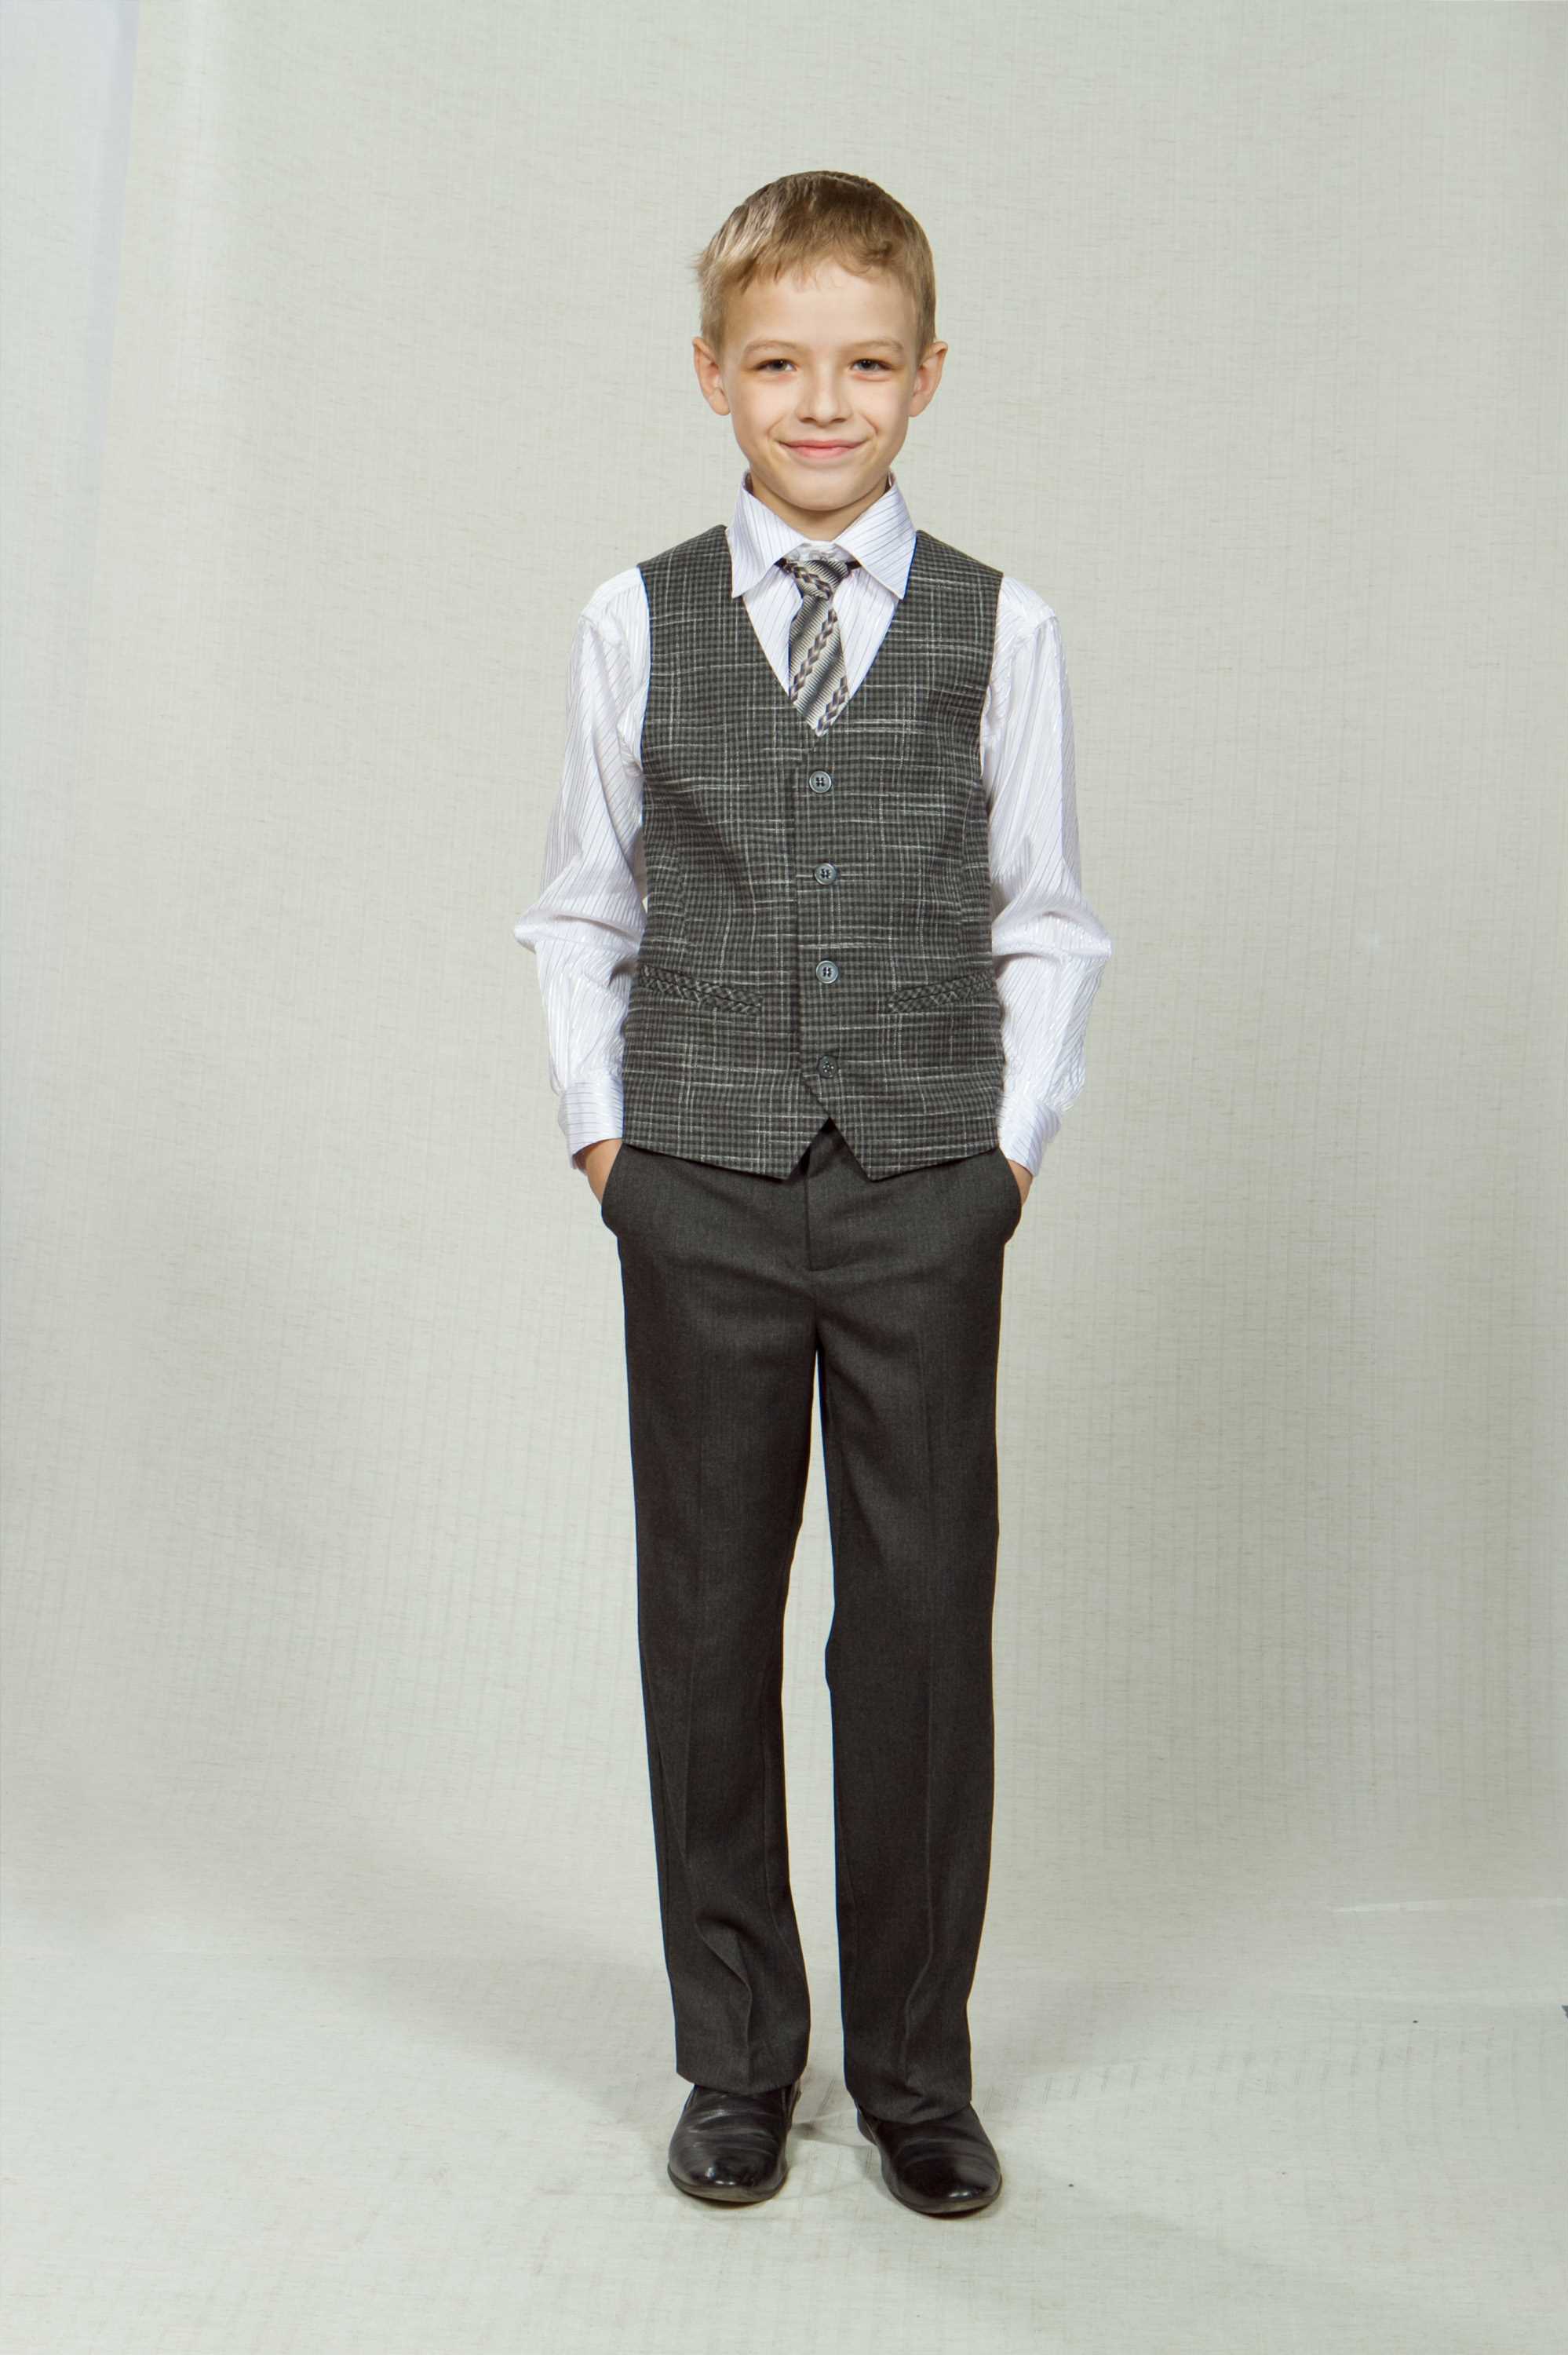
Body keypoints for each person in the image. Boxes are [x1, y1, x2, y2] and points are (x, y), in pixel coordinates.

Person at [513, 169, 1112, 2218]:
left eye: (865, 364)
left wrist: (1005, 1155)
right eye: (781, 364)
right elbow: (585, 903)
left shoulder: (1004, 626)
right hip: (697, 1180)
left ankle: (920, 2075)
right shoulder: (636, 617)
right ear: (714, 377)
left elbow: (1046, 912)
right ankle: (739, 2062)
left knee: (921, 1628)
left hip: (926, 1187)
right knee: (707, 1622)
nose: (824, 402)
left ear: (928, 375)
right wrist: (609, 1149)